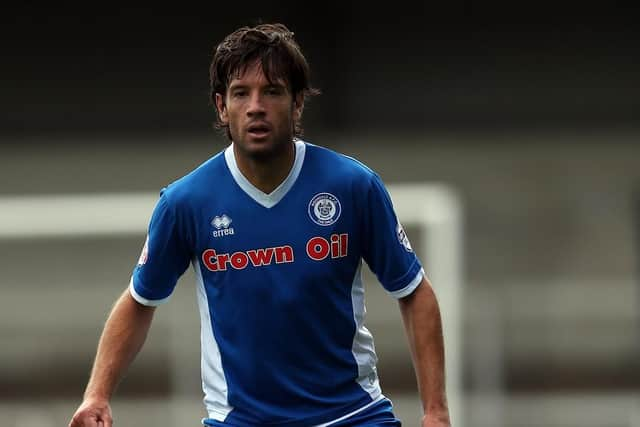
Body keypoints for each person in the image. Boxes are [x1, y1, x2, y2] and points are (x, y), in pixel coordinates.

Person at [69, 22, 451, 427]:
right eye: (240, 93)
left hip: (351, 415)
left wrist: (436, 411)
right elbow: (139, 301)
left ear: (298, 103)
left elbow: (414, 292)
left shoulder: (353, 187)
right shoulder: (186, 203)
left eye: (272, 91)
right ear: (221, 106)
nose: (256, 106)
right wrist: (97, 394)